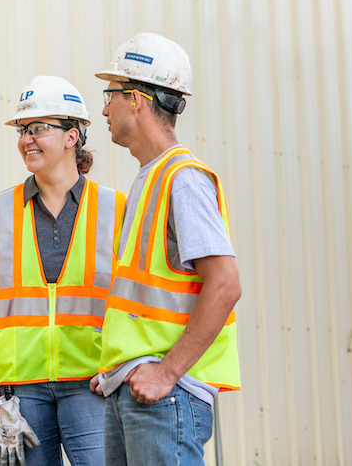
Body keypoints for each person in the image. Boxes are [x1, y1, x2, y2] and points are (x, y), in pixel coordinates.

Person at [90, 33, 241, 466]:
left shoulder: (183, 179)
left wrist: (167, 372)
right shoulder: (151, 177)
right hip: (137, 391)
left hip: (166, 398)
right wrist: (118, 370)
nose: (104, 109)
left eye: (111, 95)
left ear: (135, 99)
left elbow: (226, 284)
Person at [0, 76, 126, 466]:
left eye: (38, 128)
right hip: (20, 388)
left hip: (92, 383)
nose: (26, 139)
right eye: (23, 130)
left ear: (72, 136)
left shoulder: (117, 209)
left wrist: (123, 367)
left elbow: (133, 300)